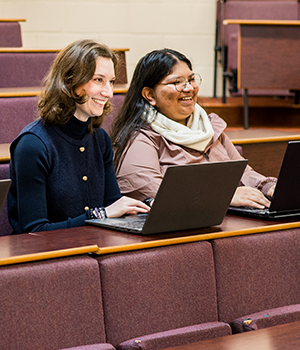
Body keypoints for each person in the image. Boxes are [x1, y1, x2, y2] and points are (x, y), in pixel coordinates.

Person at [8, 39, 149, 234]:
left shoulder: (100, 139)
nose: (109, 92)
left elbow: (113, 206)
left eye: (111, 81)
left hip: (94, 247)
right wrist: (100, 214)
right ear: (69, 82)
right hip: (49, 259)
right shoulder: (33, 144)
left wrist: (146, 208)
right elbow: (34, 231)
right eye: (98, 80)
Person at [110, 48, 277, 209]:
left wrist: (268, 187)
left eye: (191, 80)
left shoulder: (210, 128)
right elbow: (153, 192)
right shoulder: (140, 137)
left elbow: (242, 172)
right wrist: (224, 196)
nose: (189, 88)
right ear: (150, 95)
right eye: (177, 82)